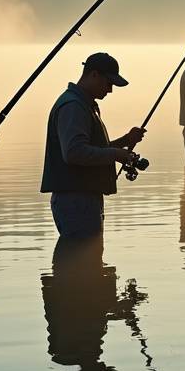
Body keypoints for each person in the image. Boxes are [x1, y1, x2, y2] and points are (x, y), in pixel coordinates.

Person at [40, 53, 145, 239]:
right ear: (94, 75)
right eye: (109, 83)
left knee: (89, 263)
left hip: (83, 199)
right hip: (76, 201)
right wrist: (116, 154)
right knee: (79, 263)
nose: (110, 90)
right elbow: (74, 153)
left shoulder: (84, 105)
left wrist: (125, 141)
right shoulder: (73, 106)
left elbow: (90, 148)